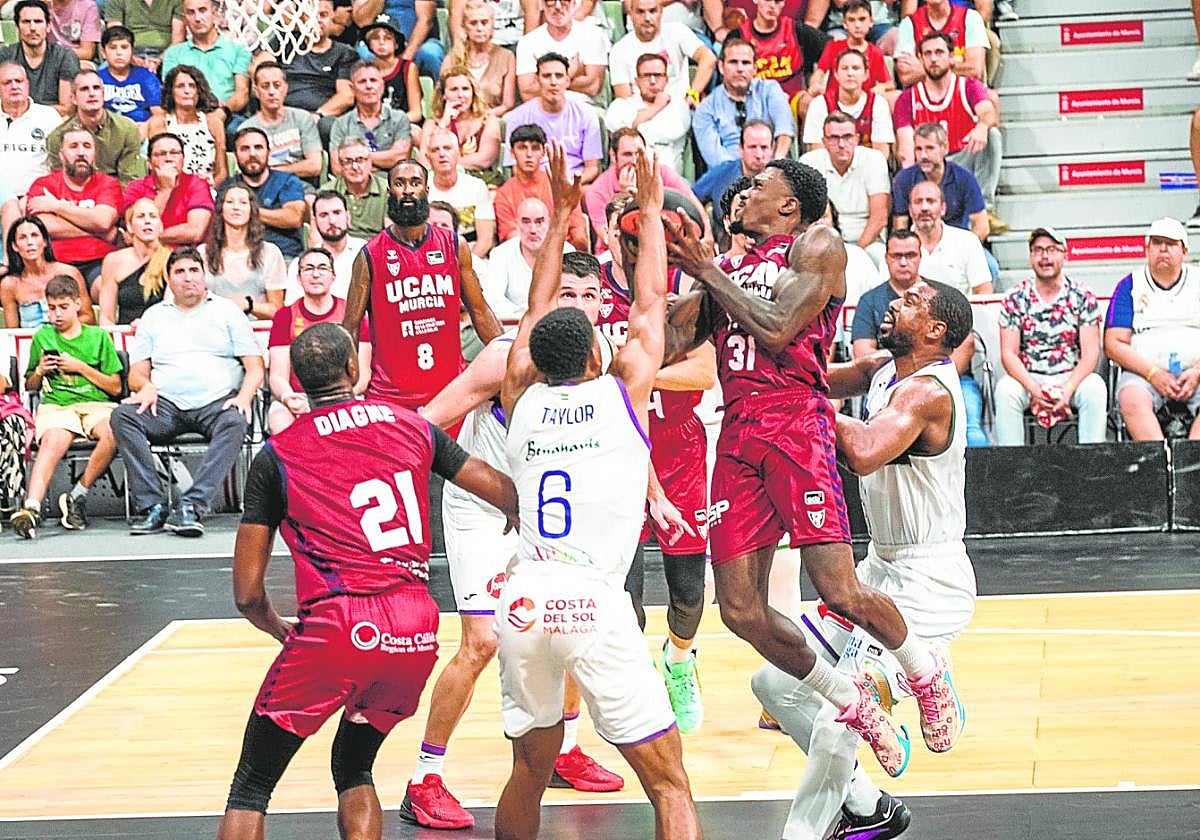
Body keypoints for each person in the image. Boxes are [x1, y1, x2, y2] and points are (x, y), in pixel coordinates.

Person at [661, 158, 962, 777]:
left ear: (790, 205)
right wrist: (647, 259)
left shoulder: (816, 242)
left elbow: (776, 329)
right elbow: (670, 340)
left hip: (797, 425)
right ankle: (849, 698)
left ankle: (925, 674)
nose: (744, 193)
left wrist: (707, 270)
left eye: (759, 186)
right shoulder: (731, 269)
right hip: (741, 428)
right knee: (739, 610)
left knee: (838, 592)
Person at [214, 322, 517, 840]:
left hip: (339, 626)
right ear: (355, 369)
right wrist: (518, 517)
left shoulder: (278, 455)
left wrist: (274, 626)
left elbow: (246, 592)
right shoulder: (412, 426)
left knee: (252, 785)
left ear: (298, 384)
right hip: (416, 629)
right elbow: (498, 488)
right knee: (354, 767)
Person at [492, 140, 701, 840]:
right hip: (590, 600)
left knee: (528, 771)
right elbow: (649, 302)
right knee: (670, 786)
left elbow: (533, 311)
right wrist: (646, 212)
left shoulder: (518, 394)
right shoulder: (622, 392)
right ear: (592, 354)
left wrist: (559, 219)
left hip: (522, 598)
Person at [403, 246, 625, 833]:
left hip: (542, 513)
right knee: (480, 644)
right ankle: (424, 778)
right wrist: (490, 485)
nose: (576, 306)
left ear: (603, 303)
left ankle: (566, 748)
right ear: (546, 301)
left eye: (587, 296)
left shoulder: (598, 364)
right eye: (565, 295)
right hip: (483, 507)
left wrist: (652, 494)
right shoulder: (503, 357)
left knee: (571, 623)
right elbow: (423, 426)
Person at [753, 278, 978, 840]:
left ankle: (803, 834)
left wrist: (799, 402)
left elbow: (864, 451)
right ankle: (865, 801)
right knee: (773, 686)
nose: (894, 302)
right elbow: (810, 379)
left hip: (929, 579)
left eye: (910, 302)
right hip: (880, 566)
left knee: (836, 719)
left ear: (935, 330)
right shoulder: (884, 371)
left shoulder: (927, 393)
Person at [598, 189, 716, 733]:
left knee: (690, 593)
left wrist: (636, 376)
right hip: (618, 455)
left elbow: (704, 372)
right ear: (615, 237)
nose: (637, 244)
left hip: (681, 452)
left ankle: (679, 659)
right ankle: (635, 683)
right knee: (625, 599)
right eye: (629, 235)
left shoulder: (690, 294)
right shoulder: (594, 289)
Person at [110, 247, 265, 536]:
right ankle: (153, 506)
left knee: (236, 420)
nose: (188, 278)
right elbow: (136, 374)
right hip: (166, 405)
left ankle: (192, 505)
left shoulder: (227, 311)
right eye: (179, 272)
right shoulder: (154, 316)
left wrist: (243, 398)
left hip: (216, 404)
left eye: (194, 271)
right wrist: (145, 387)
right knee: (123, 416)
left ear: (204, 276)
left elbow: (255, 367)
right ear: (169, 279)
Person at [342, 158, 502, 410]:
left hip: (450, 391)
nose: (407, 190)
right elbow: (350, 327)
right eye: (399, 183)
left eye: (415, 183)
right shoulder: (369, 255)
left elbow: (480, 311)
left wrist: (507, 359)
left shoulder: (454, 245)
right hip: (391, 396)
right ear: (389, 191)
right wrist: (346, 389)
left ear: (426, 190)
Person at [8, 274, 122, 538]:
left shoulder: (98, 337)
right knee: (53, 440)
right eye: (51, 308)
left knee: (115, 432)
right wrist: (39, 370)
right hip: (57, 406)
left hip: (96, 405)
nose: (56, 314)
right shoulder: (42, 337)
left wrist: (80, 368)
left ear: (77, 304)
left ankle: (77, 495)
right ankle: (32, 508)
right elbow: (30, 385)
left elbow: (116, 387)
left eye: (62, 307)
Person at [851, 229, 988, 449]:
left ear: (920, 256)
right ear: (886, 258)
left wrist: (920, 374)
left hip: (950, 377)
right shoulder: (870, 300)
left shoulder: (938, 296)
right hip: (891, 372)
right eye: (896, 256)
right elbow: (861, 350)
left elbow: (966, 343)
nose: (903, 262)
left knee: (974, 434)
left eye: (910, 255)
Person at [995, 227, 1106, 445]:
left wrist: (1067, 390)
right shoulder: (1015, 297)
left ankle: (1092, 468)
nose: (1045, 257)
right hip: (1028, 377)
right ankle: (1012, 472)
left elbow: (1091, 353)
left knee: (1095, 388)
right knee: (1005, 391)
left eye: (1051, 250)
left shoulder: (1083, 295)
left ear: (1065, 254)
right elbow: (1008, 354)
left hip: (1071, 376)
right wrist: (1034, 390)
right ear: (1030, 257)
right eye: (1038, 250)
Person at [894, 33, 1005, 234]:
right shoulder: (907, 98)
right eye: (927, 54)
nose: (934, 59)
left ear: (952, 56)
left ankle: (985, 208)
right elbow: (906, 145)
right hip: (926, 165)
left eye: (939, 52)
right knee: (907, 169)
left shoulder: (968, 86)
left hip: (962, 160)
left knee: (992, 135)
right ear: (920, 59)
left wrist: (981, 126)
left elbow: (988, 111)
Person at [1104, 217, 1200, 441]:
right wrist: (1152, 373)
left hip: (1197, 371)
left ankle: (1191, 467)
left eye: (1171, 243)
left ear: (1184, 250)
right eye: (1157, 243)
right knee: (1132, 400)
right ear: (1147, 249)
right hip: (1144, 374)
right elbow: (1114, 343)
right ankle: (1160, 468)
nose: (1163, 249)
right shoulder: (1129, 285)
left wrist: (1196, 372)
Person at [266, 248, 370, 433]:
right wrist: (288, 397)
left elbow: (363, 377)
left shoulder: (353, 313)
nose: (315, 274)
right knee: (279, 420)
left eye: (322, 268)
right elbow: (277, 376)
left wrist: (334, 401)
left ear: (333, 276)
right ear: (298, 278)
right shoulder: (284, 316)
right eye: (308, 268)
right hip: (300, 397)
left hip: (345, 397)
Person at [26, 124, 122, 288]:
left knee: (105, 290)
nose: (81, 153)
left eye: (87, 146)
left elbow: (103, 220)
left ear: (94, 154)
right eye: (73, 146)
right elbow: (43, 227)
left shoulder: (108, 184)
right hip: (55, 262)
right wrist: (101, 232)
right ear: (61, 155)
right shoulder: (44, 185)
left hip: (99, 262)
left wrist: (56, 207)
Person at [582, 128, 707, 252]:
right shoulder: (597, 191)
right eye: (627, 154)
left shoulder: (662, 173)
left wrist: (707, 237)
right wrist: (628, 196)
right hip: (615, 253)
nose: (634, 160)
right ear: (613, 156)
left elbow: (694, 205)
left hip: (666, 246)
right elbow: (608, 239)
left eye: (639, 153)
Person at [800, 111, 889, 266]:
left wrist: (855, 255)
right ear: (824, 141)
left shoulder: (874, 159)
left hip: (869, 241)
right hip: (827, 237)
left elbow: (879, 217)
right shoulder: (809, 162)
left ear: (857, 139)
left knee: (880, 257)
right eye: (834, 138)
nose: (841, 144)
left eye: (847, 137)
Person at [692, 38, 794, 167]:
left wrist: (775, 166)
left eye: (746, 63)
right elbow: (715, 158)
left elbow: (784, 130)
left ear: (755, 68)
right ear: (721, 67)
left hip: (772, 169)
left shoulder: (770, 90)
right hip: (729, 175)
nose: (740, 69)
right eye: (733, 62)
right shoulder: (706, 108)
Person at [502, 53, 601, 185]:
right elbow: (516, 167)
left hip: (574, 184)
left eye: (559, 76)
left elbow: (592, 168)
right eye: (547, 76)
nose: (553, 82)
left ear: (567, 80)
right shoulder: (518, 117)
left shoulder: (586, 114)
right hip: (533, 184)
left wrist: (570, 184)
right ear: (537, 79)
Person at [493, 123, 588, 251]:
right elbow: (511, 237)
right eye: (522, 148)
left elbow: (579, 235)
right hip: (524, 259)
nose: (529, 154)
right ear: (511, 152)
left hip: (564, 256)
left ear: (543, 152)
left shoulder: (561, 186)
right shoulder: (504, 194)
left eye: (535, 148)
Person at [199, 181, 287, 320]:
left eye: (243, 202)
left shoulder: (270, 253)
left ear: (252, 210)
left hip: (257, 331)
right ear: (221, 209)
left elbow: (277, 310)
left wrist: (247, 304)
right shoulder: (203, 253)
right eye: (230, 202)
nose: (236, 207)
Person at [45, 70, 146, 186]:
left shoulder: (127, 129)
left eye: (96, 88)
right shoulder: (58, 137)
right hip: (75, 198)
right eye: (84, 89)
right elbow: (60, 182)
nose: (92, 93)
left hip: (117, 195)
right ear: (73, 98)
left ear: (103, 95)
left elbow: (130, 181)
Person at [892, 122, 987, 244]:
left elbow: (982, 227)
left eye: (930, 148)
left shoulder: (964, 178)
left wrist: (965, 251)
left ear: (945, 148)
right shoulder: (904, 179)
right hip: (919, 247)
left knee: (991, 264)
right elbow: (900, 226)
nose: (923, 155)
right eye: (918, 149)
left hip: (958, 244)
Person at [222, 126, 308, 261]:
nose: (252, 154)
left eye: (258, 148)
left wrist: (248, 211)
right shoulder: (226, 187)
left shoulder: (287, 181)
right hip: (239, 258)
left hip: (284, 256)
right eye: (244, 149)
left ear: (268, 152)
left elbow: (294, 217)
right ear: (235, 154)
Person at [280, 0, 357, 146]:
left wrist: (317, 115)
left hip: (320, 117)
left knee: (329, 126)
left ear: (332, 17)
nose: (317, 20)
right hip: (283, 114)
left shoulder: (345, 53)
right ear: (303, 17)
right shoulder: (285, 43)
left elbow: (346, 96)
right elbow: (261, 69)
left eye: (323, 15)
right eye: (312, 15)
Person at [609, 0, 715, 103]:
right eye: (640, 12)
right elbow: (624, 101)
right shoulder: (619, 50)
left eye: (652, 11)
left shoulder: (677, 31)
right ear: (631, 14)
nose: (647, 18)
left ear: (661, 11)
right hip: (641, 114)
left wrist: (693, 94)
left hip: (679, 109)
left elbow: (708, 58)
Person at [482, 196, 570, 320]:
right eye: (526, 222)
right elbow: (491, 298)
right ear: (517, 224)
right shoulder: (501, 253)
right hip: (514, 324)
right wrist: (523, 314)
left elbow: (572, 297)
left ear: (549, 224)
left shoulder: (566, 251)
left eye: (539, 222)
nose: (533, 230)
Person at [604, 53, 692, 176]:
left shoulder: (678, 106)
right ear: (637, 81)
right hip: (625, 180)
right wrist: (657, 107)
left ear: (666, 79)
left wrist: (634, 125)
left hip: (667, 183)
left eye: (658, 75)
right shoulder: (621, 105)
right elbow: (616, 130)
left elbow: (671, 132)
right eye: (646, 76)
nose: (652, 81)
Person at [122, 130, 214, 247]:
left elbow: (195, 232)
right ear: (149, 162)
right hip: (146, 255)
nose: (169, 158)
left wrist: (146, 237)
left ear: (183, 159)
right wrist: (166, 190)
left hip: (185, 256)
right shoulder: (135, 188)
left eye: (175, 153)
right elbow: (134, 227)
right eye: (161, 154)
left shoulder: (197, 184)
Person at [161, 0, 250, 120]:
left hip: (228, 115)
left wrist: (221, 112)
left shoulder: (238, 51)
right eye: (191, 13)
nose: (197, 18)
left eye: (202, 10)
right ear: (185, 19)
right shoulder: (173, 54)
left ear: (214, 14)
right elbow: (172, 91)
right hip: (186, 116)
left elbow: (242, 94)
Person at [801, 48, 893, 158]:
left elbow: (881, 155)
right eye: (844, 68)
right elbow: (818, 154)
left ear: (866, 74)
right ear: (836, 74)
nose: (850, 73)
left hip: (867, 170)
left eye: (855, 68)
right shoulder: (819, 104)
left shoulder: (878, 104)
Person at [1, 215, 92, 327]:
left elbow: (88, 318)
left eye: (34, 235)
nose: (30, 242)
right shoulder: (9, 285)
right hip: (30, 343)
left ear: (45, 241)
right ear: (15, 246)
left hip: (67, 341)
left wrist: (54, 332)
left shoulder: (69, 273)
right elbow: (12, 332)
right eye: (22, 237)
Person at [736, 0, 823, 115]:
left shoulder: (797, 30)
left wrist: (816, 79)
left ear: (784, 3)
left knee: (810, 102)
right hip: (753, 99)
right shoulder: (739, 35)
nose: (772, 6)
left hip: (792, 100)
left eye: (777, 1)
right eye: (767, 0)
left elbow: (832, 48)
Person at [145, 64, 227, 185]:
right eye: (180, 86)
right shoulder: (159, 123)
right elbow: (156, 169)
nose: (187, 91)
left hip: (208, 189)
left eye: (192, 86)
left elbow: (222, 172)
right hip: (171, 189)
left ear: (199, 92)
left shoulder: (213, 123)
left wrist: (208, 190)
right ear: (171, 92)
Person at [329, 60, 414, 176]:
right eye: (362, 82)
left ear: (382, 86)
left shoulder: (399, 118)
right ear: (352, 88)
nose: (369, 86)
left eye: (373, 80)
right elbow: (337, 167)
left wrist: (356, 158)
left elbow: (399, 157)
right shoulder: (341, 123)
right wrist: (381, 161)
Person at [241, 62, 323, 182]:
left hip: (300, 186)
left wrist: (271, 172)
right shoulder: (247, 129)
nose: (272, 92)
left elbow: (314, 166)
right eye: (265, 86)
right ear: (256, 91)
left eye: (277, 85)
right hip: (262, 188)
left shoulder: (302, 118)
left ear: (285, 88)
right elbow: (246, 171)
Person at [907, 180, 991, 295]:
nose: (924, 208)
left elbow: (983, 291)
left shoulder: (967, 241)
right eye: (918, 202)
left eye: (931, 201)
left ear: (943, 208)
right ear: (910, 210)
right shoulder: (898, 246)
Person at [96, 197, 170, 326]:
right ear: (129, 226)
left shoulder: (171, 260)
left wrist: (147, 326)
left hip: (160, 335)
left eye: (153, 217)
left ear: (161, 226)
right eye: (141, 216)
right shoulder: (113, 261)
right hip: (123, 338)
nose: (147, 221)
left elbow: (171, 312)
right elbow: (107, 317)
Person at [424, 126, 496, 258]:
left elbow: (485, 241)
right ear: (428, 158)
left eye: (447, 148)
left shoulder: (477, 187)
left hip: (471, 259)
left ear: (458, 153)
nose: (442, 154)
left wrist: (463, 267)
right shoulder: (420, 190)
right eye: (435, 150)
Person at [514, 0, 607, 101]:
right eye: (551, 1)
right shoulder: (528, 41)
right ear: (542, 5)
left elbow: (593, 88)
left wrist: (543, 81)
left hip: (584, 106)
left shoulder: (592, 35)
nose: (558, 7)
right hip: (541, 109)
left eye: (564, 1)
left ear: (574, 4)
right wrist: (570, 73)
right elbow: (527, 94)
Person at [806, 0, 891, 110]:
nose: (857, 25)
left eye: (862, 19)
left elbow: (889, 83)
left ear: (871, 22)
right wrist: (815, 84)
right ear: (845, 24)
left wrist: (881, 87)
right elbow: (819, 73)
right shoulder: (833, 47)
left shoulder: (875, 52)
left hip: (865, 105)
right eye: (851, 20)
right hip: (835, 104)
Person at [692, 121, 772, 237]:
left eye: (764, 147)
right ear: (741, 149)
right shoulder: (721, 174)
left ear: (772, 149)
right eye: (752, 147)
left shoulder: (782, 180)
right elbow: (691, 197)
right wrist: (707, 229)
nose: (759, 154)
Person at [0, 0, 80, 116]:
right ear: (17, 28)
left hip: (53, 122)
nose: (32, 28)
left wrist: (27, 112)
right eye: (26, 22)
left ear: (48, 27)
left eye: (38, 22)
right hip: (12, 120)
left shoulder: (65, 56)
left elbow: (67, 109)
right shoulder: (5, 57)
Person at [441, 0, 516, 117]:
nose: (480, 28)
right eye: (473, 23)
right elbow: (441, 99)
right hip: (457, 119)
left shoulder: (507, 57)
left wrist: (482, 117)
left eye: (484, 22)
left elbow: (507, 105)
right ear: (465, 27)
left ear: (492, 25)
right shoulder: (452, 59)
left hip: (491, 121)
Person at [427, 67, 501, 184]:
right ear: (443, 95)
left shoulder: (488, 121)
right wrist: (444, 123)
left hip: (481, 179)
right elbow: (425, 160)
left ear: (473, 92)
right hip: (441, 181)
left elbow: (484, 159)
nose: (460, 95)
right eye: (454, 89)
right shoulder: (432, 124)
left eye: (465, 89)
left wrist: (444, 164)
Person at [0, 62, 62, 200]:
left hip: (36, 200)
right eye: (7, 82)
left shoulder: (49, 116)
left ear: (27, 84)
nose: (14, 86)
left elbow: (60, 163)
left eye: (19, 81)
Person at [289, 191, 366, 301]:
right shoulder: (301, 264)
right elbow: (294, 310)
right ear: (315, 222)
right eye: (323, 215)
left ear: (348, 217)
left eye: (337, 213)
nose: (332, 221)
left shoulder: (369, 253)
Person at [894, 0, 989, 86]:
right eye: (928, 54)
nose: (934, 60)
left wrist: (923, 66)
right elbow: (905, 76)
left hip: (964, 89)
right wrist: (954, 62)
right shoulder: (909, 23)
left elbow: (975, 70)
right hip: (922, 93)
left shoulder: (971, 18)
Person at [350, 0, 445, 80]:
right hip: (379, 43)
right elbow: (362, 21)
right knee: (363, 53)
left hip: (418, 44)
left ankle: (442, 97)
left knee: (430, 53)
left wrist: (404, 61)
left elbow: (425, 20)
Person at [96, 25, 162, 136]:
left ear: (132, 51)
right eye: (113, 48)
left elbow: (158, 113)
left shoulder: (146, 77)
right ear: (103, 53)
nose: (119, 53)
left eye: (124, 47)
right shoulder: (97, 79)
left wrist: (143, 129)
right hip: (108, 131)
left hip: (141, 129)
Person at [362, 14, 424, 132]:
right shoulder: (364, 70)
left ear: (396, 44)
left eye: (387, 38)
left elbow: (416, 113)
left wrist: (390, 123)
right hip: (373, 127)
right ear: (369, 43)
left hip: (403, 124)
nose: (381, 42)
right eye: (375, 38)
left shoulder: (408, 68)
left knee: (414, 132)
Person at [104, 0, 183, 73]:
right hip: (129, 52)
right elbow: (114, 36)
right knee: (102, 72)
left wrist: (160, 60)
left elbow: (178, 40)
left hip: (166, 53)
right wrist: (132, 59)